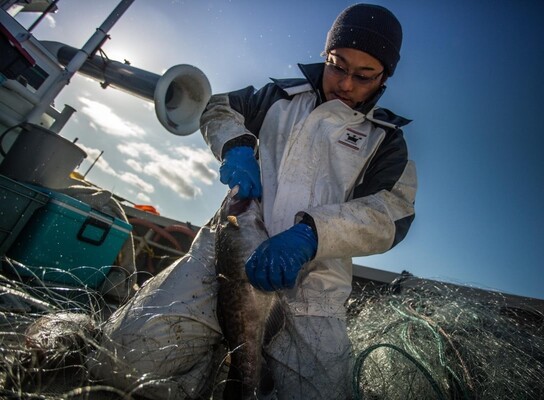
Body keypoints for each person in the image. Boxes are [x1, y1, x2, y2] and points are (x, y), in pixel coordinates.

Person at [87, 4, 416, 400]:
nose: (346, 84)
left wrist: (311, 236)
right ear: (326, 55)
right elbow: (218, 107)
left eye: (364, 76)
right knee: (119, 362)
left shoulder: (386, 140)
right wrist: (237, 147)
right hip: (220, 261)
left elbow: (390, 213)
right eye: (337, 64)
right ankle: (202, 369)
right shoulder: (279, 97)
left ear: (384, 78)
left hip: (313, 290)